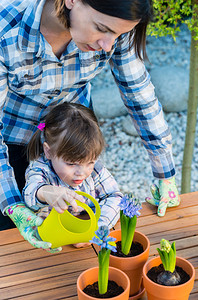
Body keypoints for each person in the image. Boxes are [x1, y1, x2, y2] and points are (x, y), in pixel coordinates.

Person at [0, 0, 179, 251]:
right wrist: (14, 206)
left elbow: (139, 94)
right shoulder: (5, 30)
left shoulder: (113, 31)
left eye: (118, 35)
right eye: (101, 28)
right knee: (12, 242)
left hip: (74, 134)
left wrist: (165, 172)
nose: (108, 46)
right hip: (9, 144)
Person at [22, 102, 122, 250]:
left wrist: (97, 229)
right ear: (48, 151)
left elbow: (115, 196)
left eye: (90, 162)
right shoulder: (40, 168)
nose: (81, 172)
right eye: (71, 163)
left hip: (83, 239)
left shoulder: (95, 169)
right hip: (47, 242)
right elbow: (31, 192)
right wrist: (45, 191)